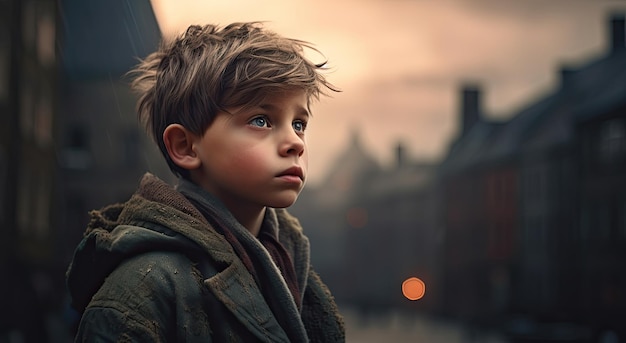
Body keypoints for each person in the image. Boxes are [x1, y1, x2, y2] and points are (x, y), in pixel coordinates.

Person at [66, 22, 345, 342]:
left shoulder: (292, 267)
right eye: (261, 120)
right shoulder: (141, 291)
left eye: (299, 123)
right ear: (185, 147)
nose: (294, 142)